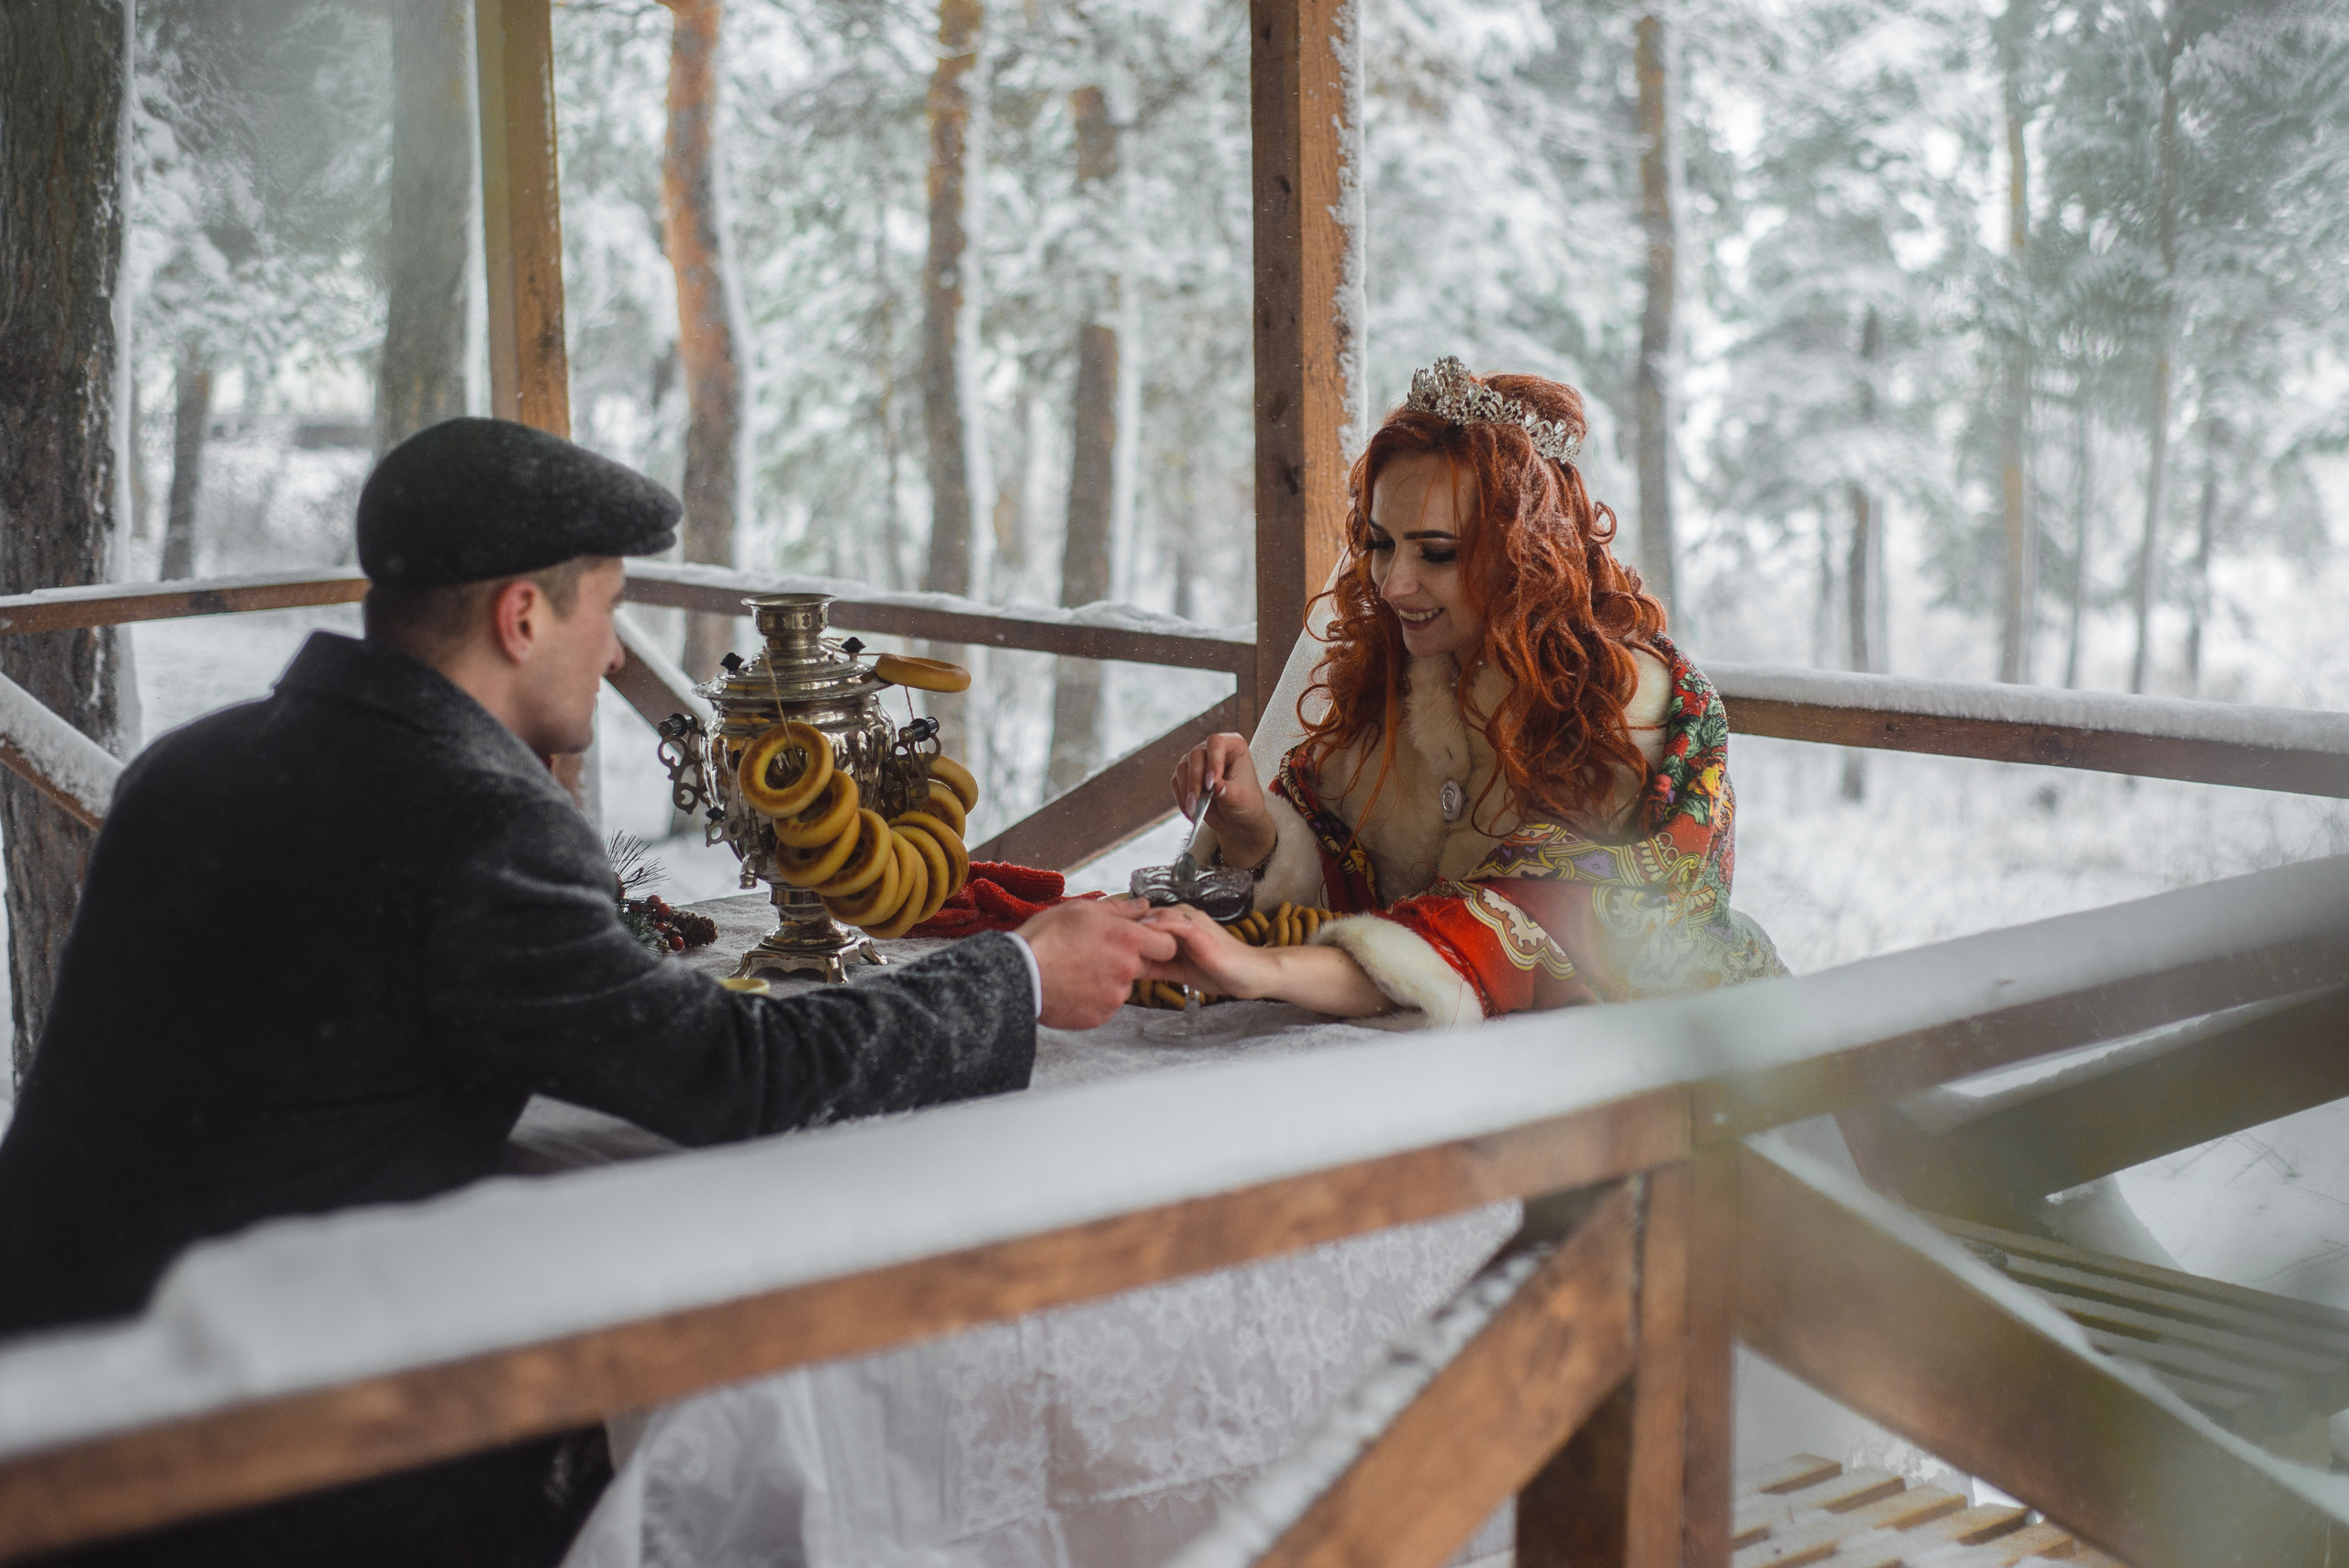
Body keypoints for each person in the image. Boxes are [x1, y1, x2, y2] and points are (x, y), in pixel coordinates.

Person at [0, 417, 1173, 1565]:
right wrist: (1020, 973)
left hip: (60, 1381)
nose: (616, 653)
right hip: (267, 1454)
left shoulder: (193, 762)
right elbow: (736, 1076)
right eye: (606, 609)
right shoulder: (473, 817)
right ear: (522, 615)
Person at [1150, 360, 1781, 1023]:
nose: (1392, 583)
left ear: (1524, 551)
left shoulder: (1630, 714)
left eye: (1437, 552)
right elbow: (1344, 878)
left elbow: (1534, 933)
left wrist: (1265, 967)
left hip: (1673, 1072)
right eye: (1380, 543)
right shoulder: (1397, 684)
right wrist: (1255, 832)